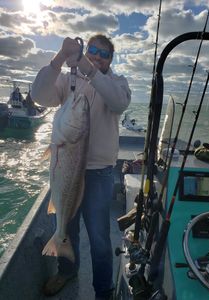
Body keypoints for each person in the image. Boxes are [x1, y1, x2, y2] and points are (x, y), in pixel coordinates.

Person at [31, 34, 131, 299]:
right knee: (67, 227)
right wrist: (60, 58)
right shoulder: (69, 79)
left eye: (104, 53)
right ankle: (66, 271)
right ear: (87, 50)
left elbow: (120, 102)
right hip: (67, 165)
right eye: (93, 50)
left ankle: (103, 289)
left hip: (99, 173)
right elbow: (39, 95)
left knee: (99, 237)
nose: (98, 56)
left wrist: (88, 68)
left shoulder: (117, 83)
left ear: (111, 59)